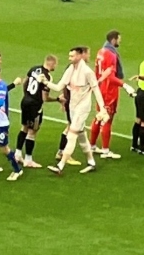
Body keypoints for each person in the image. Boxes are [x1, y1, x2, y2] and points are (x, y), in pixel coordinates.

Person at [44, 46, 110, 175]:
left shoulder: (87, 72)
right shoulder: (70, 69)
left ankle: (60, 166)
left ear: (80, 56)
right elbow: (59, 87)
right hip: (73, 106)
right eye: (69, 56)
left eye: (72, 56)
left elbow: (96, 89)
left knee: (72, 134)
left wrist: (102, 108)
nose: (70, 58)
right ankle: (91, 163)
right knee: (81, 136)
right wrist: (45, 82)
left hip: (83, 108)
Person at [90, 30, 136, 159]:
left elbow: (97, 72)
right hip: (109, 90)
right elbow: (110, 77)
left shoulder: (101, 52)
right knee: (107, 119)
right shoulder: (111, 55)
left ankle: (92, 145)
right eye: (119, 39)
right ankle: (105, 150)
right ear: (114, 39)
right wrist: (125, 85)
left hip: (100, 89)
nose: (120, 41)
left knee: (99, 117)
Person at [14, 55, 58, 168]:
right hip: (35, 106)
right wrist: (57, 99)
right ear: (51, 63)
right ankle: (28, 159)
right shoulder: (47, 76)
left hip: (25, 101)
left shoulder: (34, 69)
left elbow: (25, 82)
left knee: (24, 127)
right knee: (32, 131)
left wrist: (27, 95)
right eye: (55, 64)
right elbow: (44, 98)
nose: (56, 66)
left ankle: (17, 154)